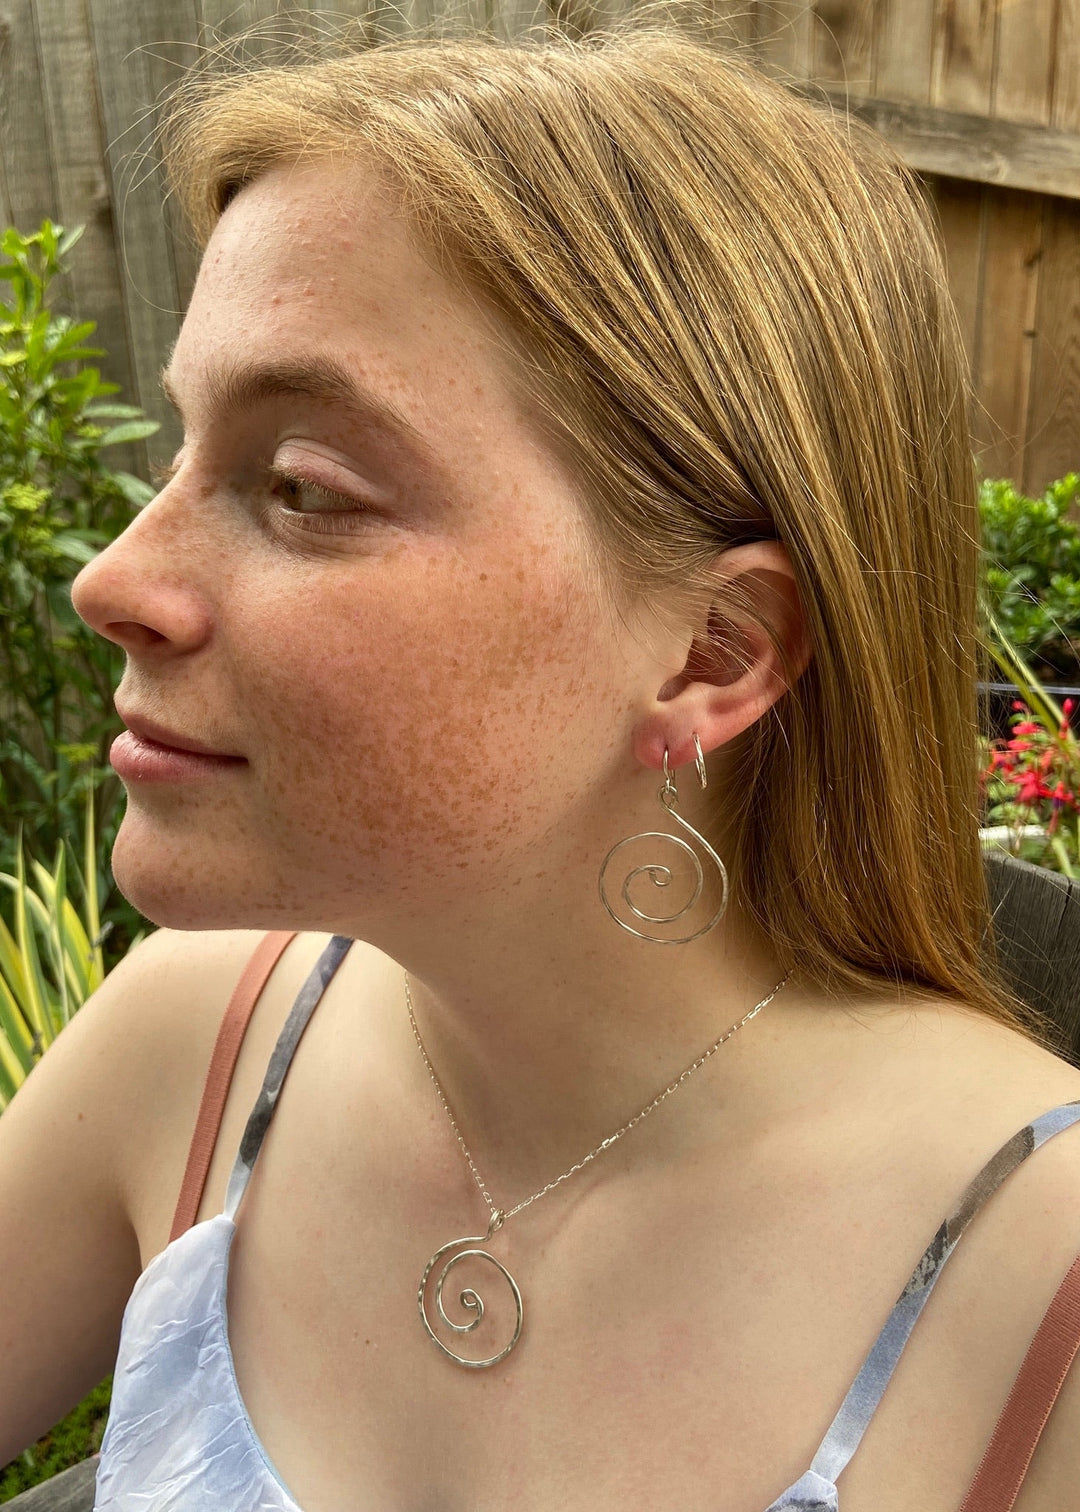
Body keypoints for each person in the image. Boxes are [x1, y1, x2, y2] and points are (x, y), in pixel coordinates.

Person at [2, 16, 1079, 1510]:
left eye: (302, 487)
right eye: (179, 452)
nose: (114, 578)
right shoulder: (206, 1045)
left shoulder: (1037, 1286)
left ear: (712, 651)